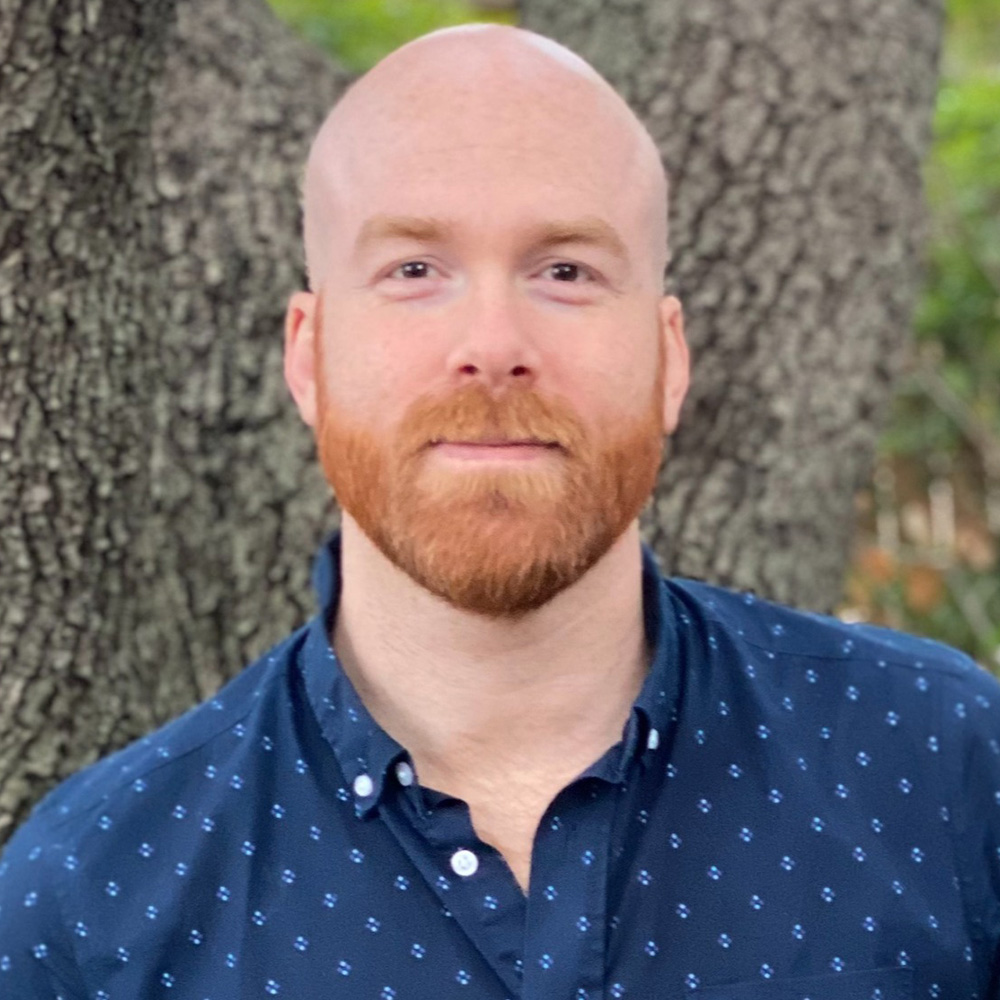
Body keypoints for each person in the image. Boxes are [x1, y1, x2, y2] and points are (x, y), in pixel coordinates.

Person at [1, 21, 998, 1000]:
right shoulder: (87, 899)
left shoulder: (942, 767)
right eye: (413, 270)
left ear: (668, 360)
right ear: (308, 356)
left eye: (565, 270)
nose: (491, 344)